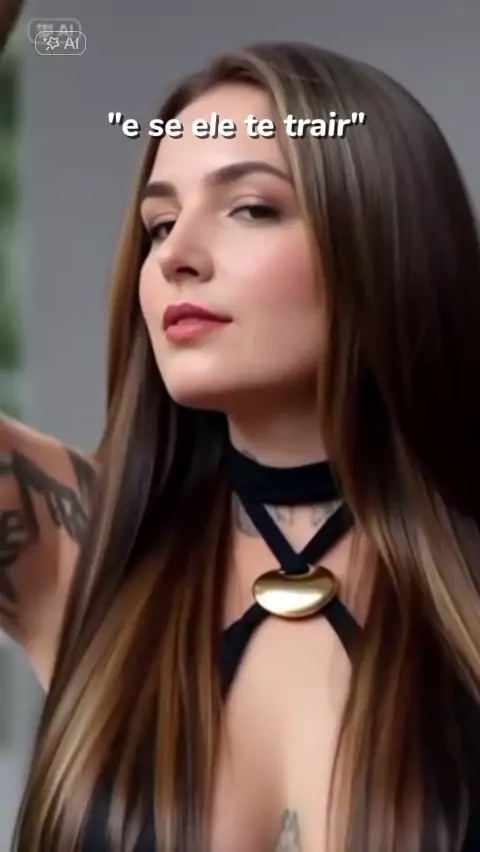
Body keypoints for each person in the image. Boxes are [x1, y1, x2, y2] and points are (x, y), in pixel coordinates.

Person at [1, 39, 479, 852]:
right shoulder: (95, 551)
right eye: (159, 224)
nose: (175, 257)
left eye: (251, 208)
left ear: (384, 236)